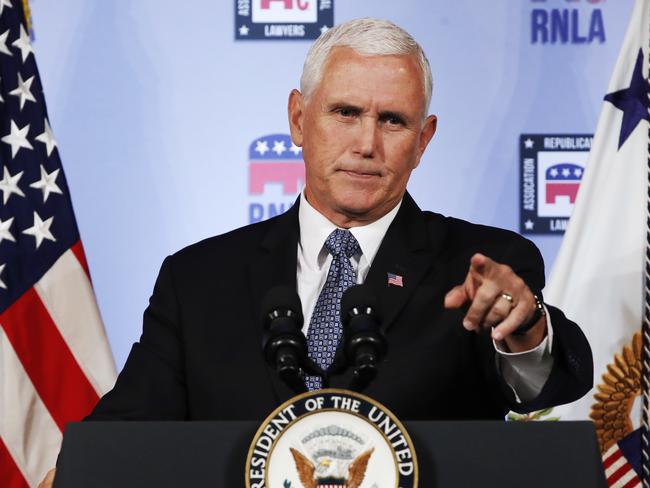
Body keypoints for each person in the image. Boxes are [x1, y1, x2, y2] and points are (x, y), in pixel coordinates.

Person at [39, 17, 592, 487]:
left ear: (423, 140)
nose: (366, 143)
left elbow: (553, 380)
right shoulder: (199, 280)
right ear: (299, 120)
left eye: (393, 121)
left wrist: (526, 332)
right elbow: (126, 433)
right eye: (345, 113)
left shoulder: (481, 264)